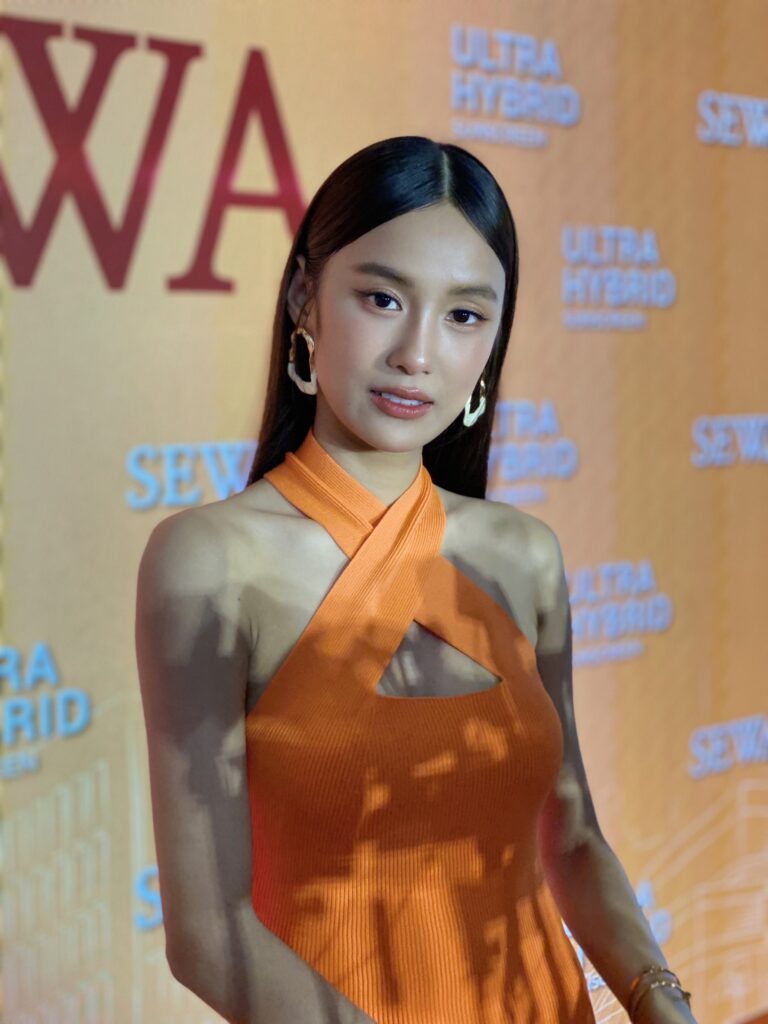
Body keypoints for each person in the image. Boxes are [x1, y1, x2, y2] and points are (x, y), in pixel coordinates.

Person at [135, 136, 698, 1024]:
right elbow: (208, 932)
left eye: (464, 315)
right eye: (383, 298)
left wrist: (659, 997)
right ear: (304, 298)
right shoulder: (208, 561)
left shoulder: (524, 554)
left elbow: (575, 840)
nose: (417, 353)